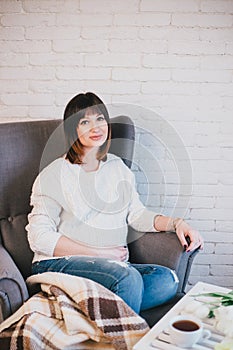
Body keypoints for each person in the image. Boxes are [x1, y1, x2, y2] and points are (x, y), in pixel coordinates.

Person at [26, 92, 204, 314]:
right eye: (85, 121)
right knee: (128, 278)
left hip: (114, 268)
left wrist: (178, 223)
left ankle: (85, 310)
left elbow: (137, 215)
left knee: (167, 279)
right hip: (60, 263)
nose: (96, 127)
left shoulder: (117, 167)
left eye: (100, 119)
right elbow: (39, 237)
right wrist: (99, 254)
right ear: (73, 129)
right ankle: (121, 333)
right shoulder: (53, 174)